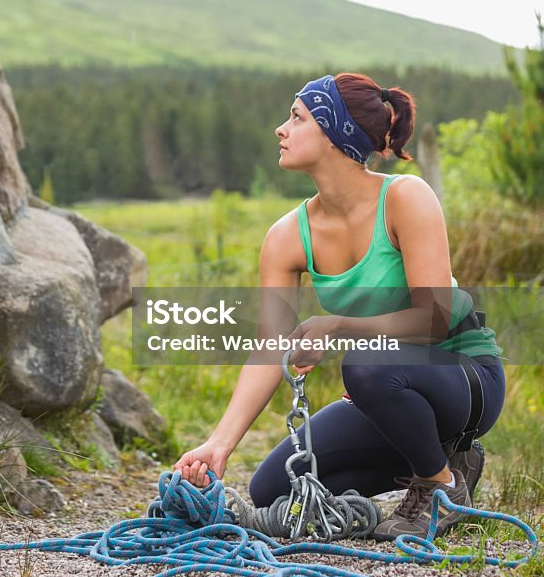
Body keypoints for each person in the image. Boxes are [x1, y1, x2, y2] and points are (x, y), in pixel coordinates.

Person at [173, 72, 506, 541]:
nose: (280, 130)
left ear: (335, 132)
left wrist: (340, 326)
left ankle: (440, 486)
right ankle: (439, 459)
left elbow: (434, 320)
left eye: (296, 117)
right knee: (272, 490)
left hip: (464, 375)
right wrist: (219, 444)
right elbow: (272, 346)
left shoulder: (405, 198)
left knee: (366, 364)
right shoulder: (287, 236)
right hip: (384, 387)